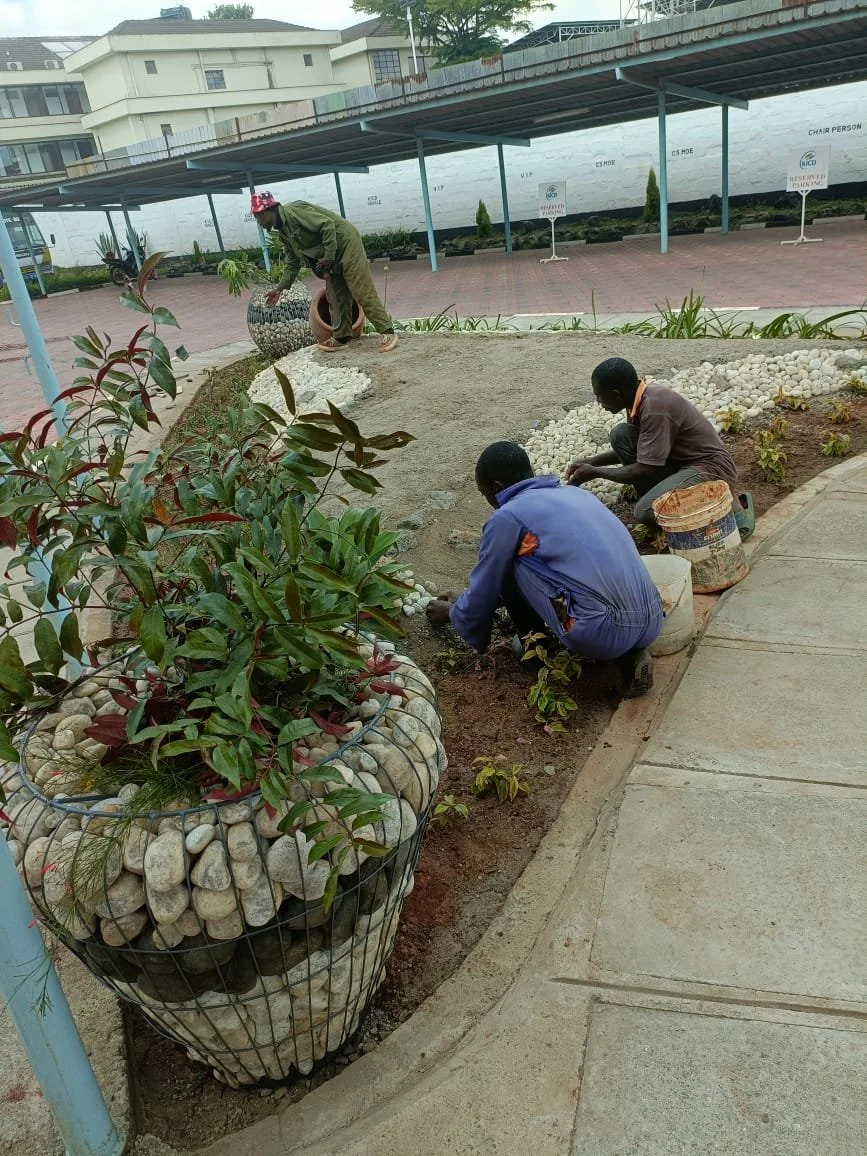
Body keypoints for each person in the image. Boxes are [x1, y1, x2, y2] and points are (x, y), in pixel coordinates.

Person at [426, 441, 664, 698]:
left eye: (485, 494)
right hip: (653, 616)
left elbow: (487, 584)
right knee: (537, 560)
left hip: (596, 631)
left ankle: (535, 646)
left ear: (496, 489)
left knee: (510, 562)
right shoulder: (575, 494)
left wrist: (453, 612)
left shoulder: (509, 517)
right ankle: (630, 653)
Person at [565, 357, 754, 537]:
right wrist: (591, 461)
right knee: (621, 434)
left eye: (599, 397)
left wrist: (596, 472)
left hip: (710, 469)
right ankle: (665, 498)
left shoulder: (655, 408)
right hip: (681, 463)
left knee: (645, 511)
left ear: (616, 394)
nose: (599, 403)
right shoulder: (638, 400)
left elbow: (645, 467)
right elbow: (645, 449)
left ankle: (727, 506)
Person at [249, 192, 398, 354]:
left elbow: (327, 225)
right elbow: (293, 262)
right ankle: (341, 337)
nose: (259, 223)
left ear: (265, 212)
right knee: (336, 296)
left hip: (345, 244)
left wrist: (328, 257)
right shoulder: (283, 232)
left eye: (258, 218)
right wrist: (279, 288)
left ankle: (387, 332)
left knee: (360, 289)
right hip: (330, 256)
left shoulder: (295, 212)